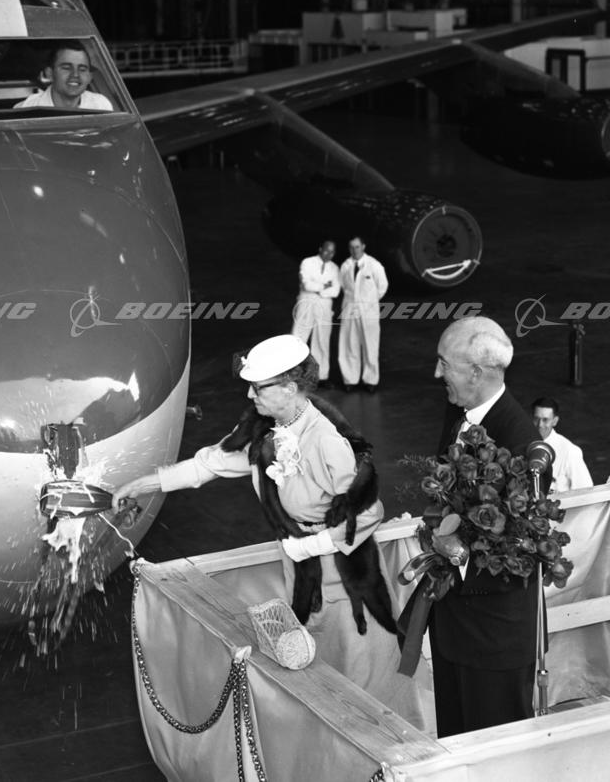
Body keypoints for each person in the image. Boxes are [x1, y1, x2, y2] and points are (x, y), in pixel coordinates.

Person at [113, 334, 427, 728]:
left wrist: (312, 545)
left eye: (258, 387)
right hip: (301, 569)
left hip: (349, 582)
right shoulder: (262, 429)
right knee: (320, 676)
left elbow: (367, 512)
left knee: (363, 680)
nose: (249, 395)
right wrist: (143, 484)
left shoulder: (327, 442)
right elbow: (208, 465)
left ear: (290, 388)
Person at [431, 315, 544, 737]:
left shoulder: (521, 444)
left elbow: (519, 552)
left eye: (445, 363)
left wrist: (455, 552)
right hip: (455, 631)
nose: (437, 373)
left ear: (476, 373)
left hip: (493, 641)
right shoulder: (458, 411)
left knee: (494, 759)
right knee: (455, 748)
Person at [338, 236, 388, 393]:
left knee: (370, 345)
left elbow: (382, 286)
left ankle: (370, 380)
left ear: (363, 247)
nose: (354, 250)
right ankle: (350, 380)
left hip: (368, 311)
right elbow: (343, 285)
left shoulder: (374, 265)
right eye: (352, 247)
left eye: (357, 246)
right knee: (349, 344)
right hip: (350, 309)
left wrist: (369, 302)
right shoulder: (345, 265)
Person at [291, 240, 340, 388]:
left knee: (322, 341)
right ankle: (293, 375)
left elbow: (335, 291)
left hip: (324, 307)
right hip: (306, 303)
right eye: (326, 250)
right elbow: (306, 284)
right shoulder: (308, 262)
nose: (328, 254)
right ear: (320, 249)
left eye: (332, 252)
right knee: (298, 339)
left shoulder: (334, 268)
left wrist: (318, 288)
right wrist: (325, 285)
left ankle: (321, 377)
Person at [14, 41, 113, 111]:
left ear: (89, 77)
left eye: (82, 69)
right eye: (66, 68)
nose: (75, 74)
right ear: (50, 73)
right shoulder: (26, 109)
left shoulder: (101, 105)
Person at [531, 397, 593, 492]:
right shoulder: (523, 443)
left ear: (555, 421)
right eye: (536, 419)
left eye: (545, 420)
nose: (540, 425)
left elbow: (586, 491)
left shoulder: (570, 451)